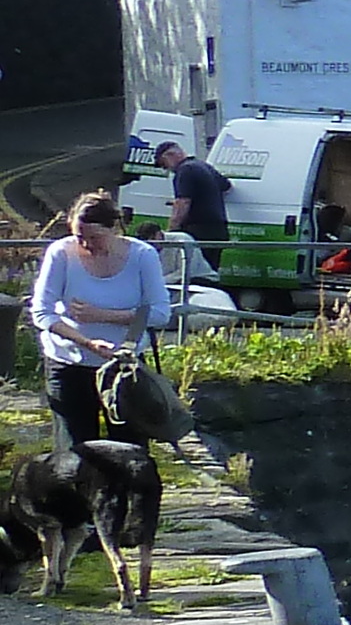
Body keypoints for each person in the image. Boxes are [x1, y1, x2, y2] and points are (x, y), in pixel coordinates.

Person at [28, 193, 172, 446]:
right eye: (79, 236)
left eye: (94, 237)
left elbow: (160, 313)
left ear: (114, 228)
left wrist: (102, 316)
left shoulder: (142, 255)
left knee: (130, 449)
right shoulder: (60, 253)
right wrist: (87, 342)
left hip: (124, 367)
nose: (85, 244)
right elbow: (42, 312)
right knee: (75, 453)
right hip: (68, 364)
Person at [159, 136, 232, 289]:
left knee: (195, 277)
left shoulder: (184, 171)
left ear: (170, 155)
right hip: (218, 229)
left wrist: (171, 232)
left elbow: (183, 203)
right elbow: (226, 186)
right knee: (210, 274)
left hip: (197, 231)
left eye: (163, 164)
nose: (166, 169)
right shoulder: (203, 166)